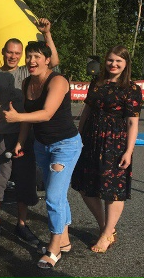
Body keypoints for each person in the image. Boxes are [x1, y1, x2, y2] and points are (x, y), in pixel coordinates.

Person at [4, 41, 82, 269]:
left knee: (53, 197)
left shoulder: (58, 81)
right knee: (57, 194)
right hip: (42, 146)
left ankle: (54, 248)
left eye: (37, 56)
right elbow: (29, 118)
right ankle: (64, 240)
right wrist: (20, 141)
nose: (31, 61)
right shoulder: (27, 82)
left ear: (48, 60)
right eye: (29, 56)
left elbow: (46, 113)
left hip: (64, 146)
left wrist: (17, 117)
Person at [0, 18, 58, 244]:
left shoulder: (29, 72)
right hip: (0, 136)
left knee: (25, 180)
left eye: (17, 53)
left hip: (25, 136)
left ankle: (22, 224)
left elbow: (54, 61)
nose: (13, 56)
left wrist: (47, 34)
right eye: (10, 52)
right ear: (3, 52)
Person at [71, 46, 142, 252]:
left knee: (113, 190)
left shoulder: (131, 88)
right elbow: (87, 110)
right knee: (85, 186)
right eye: (110, 60)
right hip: (91, 139)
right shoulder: (97, 82)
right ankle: (106, 228)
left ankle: (106, 234)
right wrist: (78, 136)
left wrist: (128, 151)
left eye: (118, 61)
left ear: (126, 64)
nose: (113, 64)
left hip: (115, 143)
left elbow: (132, 122)